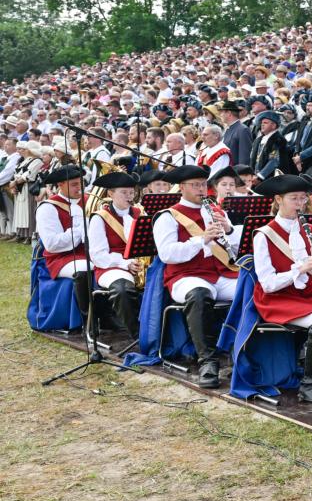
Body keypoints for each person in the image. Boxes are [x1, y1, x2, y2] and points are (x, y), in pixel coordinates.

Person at [251, 174, 312, 405]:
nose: (299, 204)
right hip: (278, 298)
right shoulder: (264, 234)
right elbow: (267, 283)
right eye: (293, 198)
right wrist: (300, 268)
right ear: (278, 199)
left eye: (302, 199)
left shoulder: (310, 230)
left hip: (309, 295)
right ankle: (309, 383)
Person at [153, 165, 240, 389]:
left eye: (203, 184)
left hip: (220, 273)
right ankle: (208, 361)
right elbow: (167, 254)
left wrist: (229, 231)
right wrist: (201, 239)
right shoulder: (168, 216)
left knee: (250, 289)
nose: (201, 189)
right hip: (186, 275)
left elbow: (237, 248)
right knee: (200, 294)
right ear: (181, 187)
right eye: (195, 185)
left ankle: (243, 352)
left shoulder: (216, 211)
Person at [87, 171, 144, 340]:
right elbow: (98, 256)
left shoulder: (139, 213)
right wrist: (125, 263)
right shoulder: (99, 218)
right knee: (122, 290)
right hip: (111, 267)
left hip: (139, 265)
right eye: (124, 192)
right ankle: (138, 335)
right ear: (110, 194)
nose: (129, 196)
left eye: (132, 192)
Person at [36, 164, 93, 323]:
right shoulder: (48, 207)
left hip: (92, 252)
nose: (79, 187)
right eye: (74, 184)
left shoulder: (89, 201)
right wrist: (79, 230)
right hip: (62, 257)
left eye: (81, 183)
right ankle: (88, 319)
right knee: (84, 269)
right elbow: (52, 244)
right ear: (60, 185)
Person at [248, 110, 294, 179]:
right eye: (262, 123)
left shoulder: (278, 140)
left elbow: (274, 161)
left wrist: (260, 176)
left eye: (265, 123)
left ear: (273, 125)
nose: (262, 125)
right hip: (256, 177)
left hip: (273, 179)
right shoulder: (259, 140)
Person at [219, 101, 253, 166]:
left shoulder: (243, 129)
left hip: (234, 172)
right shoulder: (228, 129)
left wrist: (242, 173)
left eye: (222, 112)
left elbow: (244, 156)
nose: (221, 115)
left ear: (229, 113)